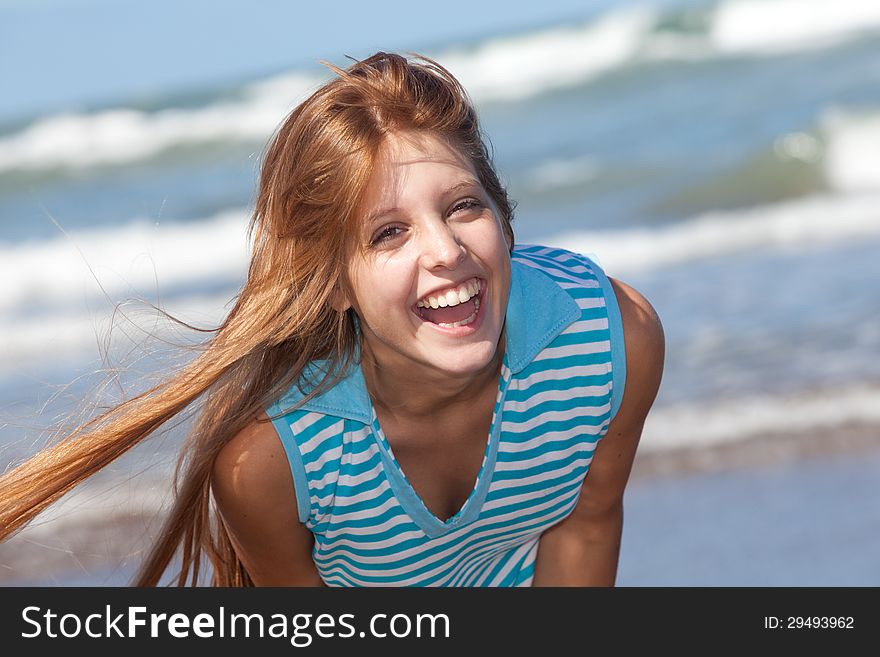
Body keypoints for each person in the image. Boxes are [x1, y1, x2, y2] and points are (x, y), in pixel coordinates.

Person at [0, 52, 664, 586]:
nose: (445, 250)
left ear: (504, 217)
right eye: (388, 232)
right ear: (335, 284)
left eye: (464, 205)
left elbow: (586, 526)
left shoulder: (608, 342)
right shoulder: (275, 460)